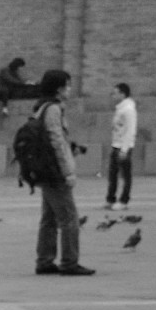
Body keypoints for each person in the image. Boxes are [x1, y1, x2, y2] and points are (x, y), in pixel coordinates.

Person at [25, 70, 93, 275]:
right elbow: (56, 142)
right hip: (54, 172)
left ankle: (45, 260)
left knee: (49, 217)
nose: (70, 90)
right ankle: (69, 262)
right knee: (69, 218)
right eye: (68, 85)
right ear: (58, 88)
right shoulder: (53, 109)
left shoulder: (41, 107)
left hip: (44, 170)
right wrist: (68, 172)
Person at [107, 83, 137, 209]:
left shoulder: (128, 109)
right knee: (112, 174)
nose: (113, 96)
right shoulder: (120, 108)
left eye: (115, 93)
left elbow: (130, 130)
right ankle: (111, 199)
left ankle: (124, 200)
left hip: (123, 146)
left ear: (122, 94)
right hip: (116, 144)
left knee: (125, 174)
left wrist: (124, 149)